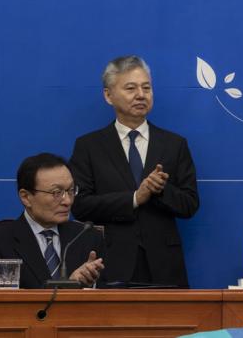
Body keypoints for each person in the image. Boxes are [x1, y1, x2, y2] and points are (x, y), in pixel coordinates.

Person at [69, 56, 199, 287]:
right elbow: (80, 206)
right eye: (131, 88)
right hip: (109, 263)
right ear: (108, 95)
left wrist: (160, 190)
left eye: (146, 88)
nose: (141, 95)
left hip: (165, 266)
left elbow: (190, 204)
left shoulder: (174, 144)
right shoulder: (88, 146)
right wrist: (135, 198)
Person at [0, 153, 105, 289]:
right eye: (56, 192)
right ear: (26, 197)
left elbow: (109, 294)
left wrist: (90, 283)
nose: (67, 201)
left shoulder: (88, 237)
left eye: (70, 190)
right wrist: (68, 287)